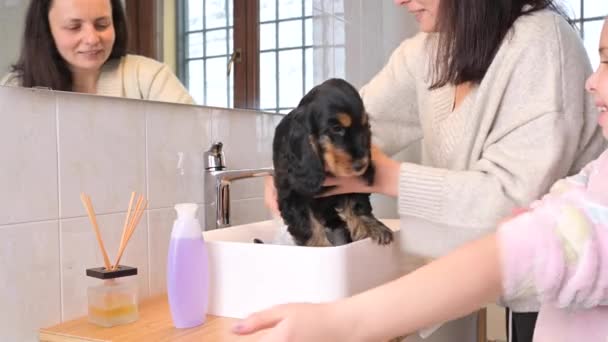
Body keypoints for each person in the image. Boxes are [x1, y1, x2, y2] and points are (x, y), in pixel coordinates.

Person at [235, 17, 608, 342]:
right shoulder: (426, 52)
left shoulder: (541, 44)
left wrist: (345, 321)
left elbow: (521, 241)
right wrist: (292, 167)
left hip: (553, 297)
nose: (400, 0)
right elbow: (345, 115)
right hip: (542, 295)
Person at [0, 0, 195, 105]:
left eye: (102, 25)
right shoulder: (15, 88)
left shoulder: (149, 77)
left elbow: (197, 139)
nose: (92, 39)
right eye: (74, 27)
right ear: (46, 31)